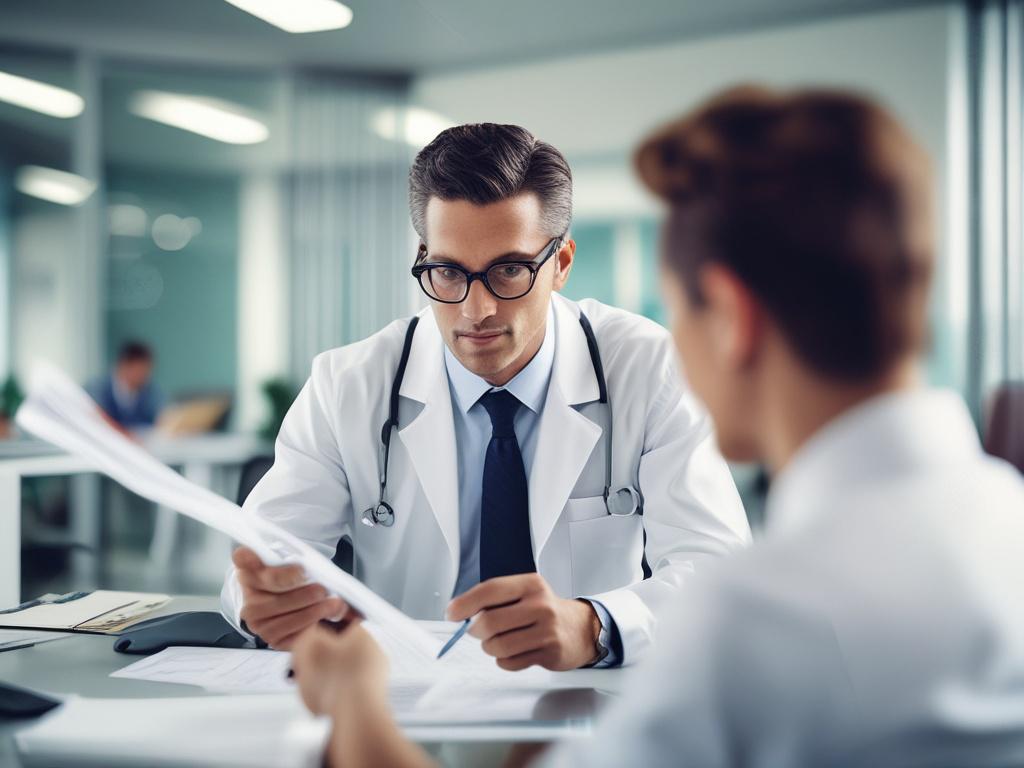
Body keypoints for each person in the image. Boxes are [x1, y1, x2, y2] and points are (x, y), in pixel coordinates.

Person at [290, 87, 1024, 767]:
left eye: (678, 307)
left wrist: (355, 702)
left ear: (730, 317)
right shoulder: (1006, 522)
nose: (477, 308)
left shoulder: (757, 620)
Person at [223, 123, 750, 670]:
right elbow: (263, 558)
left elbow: (715, 565)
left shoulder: (647, 368)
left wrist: (595, 625)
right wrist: (265, 599)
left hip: (586, 695)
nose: (477, 310)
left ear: (561, 264)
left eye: (509, 270)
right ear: (426, 257)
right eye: (449, 272)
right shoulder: (347, 384)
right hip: (406, 696)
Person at [88, 340, 163, 430]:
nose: (145, 376)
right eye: (140, 370)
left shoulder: (150, 392)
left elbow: (157, 420)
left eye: (147, 371)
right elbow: (96, 421)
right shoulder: (97, 389)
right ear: (124, 365)